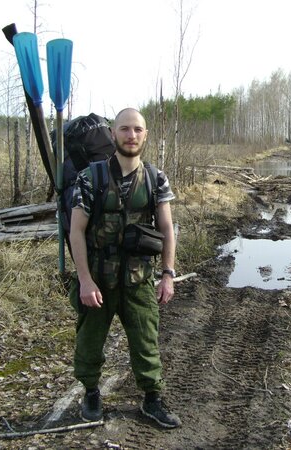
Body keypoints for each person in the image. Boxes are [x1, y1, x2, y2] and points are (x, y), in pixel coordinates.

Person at [69, 107, 181, 428]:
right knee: (89, 342)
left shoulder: (155, 178)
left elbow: (167, 228)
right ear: (113, 133)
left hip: (139, 280)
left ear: (145, 135)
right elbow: (76, 231)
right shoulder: (91, 178)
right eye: (124, 129)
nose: (131, 136)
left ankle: (151, 399)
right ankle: (91, 393)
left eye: (137, 130)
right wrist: (85, 281)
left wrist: (168, 275)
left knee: (146, 341)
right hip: (99, 280)